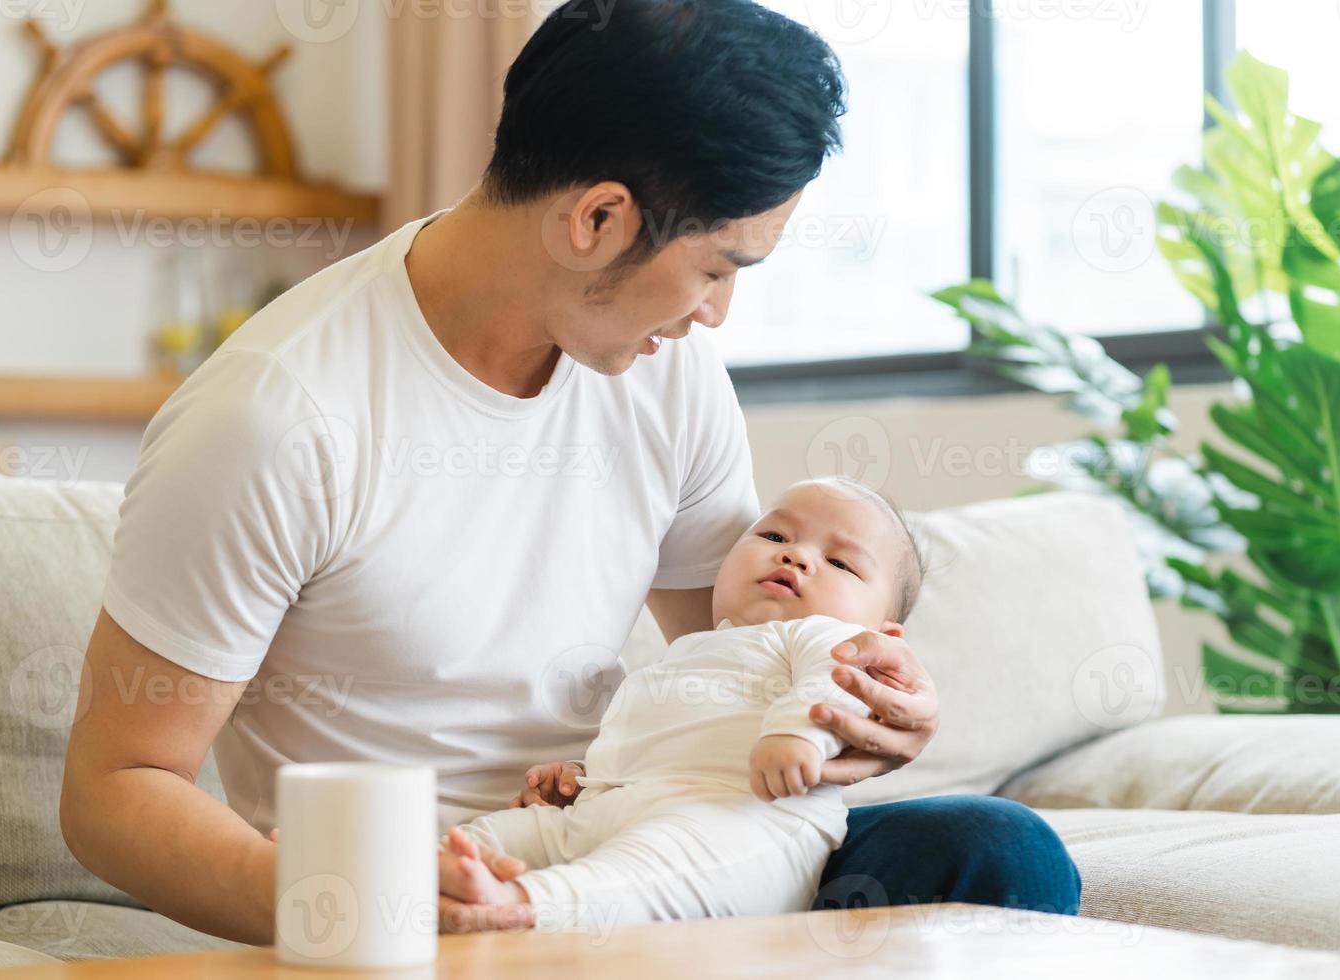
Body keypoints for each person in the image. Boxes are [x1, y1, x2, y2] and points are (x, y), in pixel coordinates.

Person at [60, 0, 1079, 945]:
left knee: (998, 848)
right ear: (596, 219)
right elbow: (116, 787)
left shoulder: (667, 373)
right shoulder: (276, 417)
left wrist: (864, 711)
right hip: (441, 874)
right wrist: (360, 899)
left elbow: (741, 648)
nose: (717, 312)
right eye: (720, 267)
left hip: (655, 833)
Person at [440, 477, 924, 929]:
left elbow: (837, 681)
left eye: (840, 563)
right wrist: (577, 776)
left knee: (657, 863)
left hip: (747, 819)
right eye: (776, 536)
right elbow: (652, 741)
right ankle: (437, 873)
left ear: (884, 636)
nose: (796, 556)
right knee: (508, 832)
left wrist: (799, 733)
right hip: (616, 810)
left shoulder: (822, 637)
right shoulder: (683, 656)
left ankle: (526, 905)